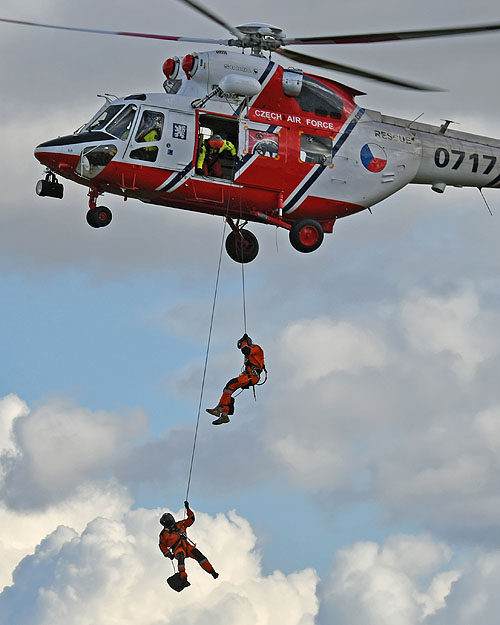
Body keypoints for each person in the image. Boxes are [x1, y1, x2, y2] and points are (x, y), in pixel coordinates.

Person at [206, 333, 265, 425]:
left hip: (253, 376)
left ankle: (220, 409)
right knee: (228, 388)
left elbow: (246, 350)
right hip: (249, 376)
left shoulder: (256, 348)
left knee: (231, 384)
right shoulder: (251, 351)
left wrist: (245, 342)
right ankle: (223, 413)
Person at [159, 501, 219, 587]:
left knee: (199, 556)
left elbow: (191, 519)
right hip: (177, 549)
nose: (171, 525)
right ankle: (183, 577)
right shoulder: (163, 534)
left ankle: (212, 572)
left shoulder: (180, 524)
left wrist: (188, 509)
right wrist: (169, 554)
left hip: (187, 546)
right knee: (180, 556)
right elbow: (162, 545)